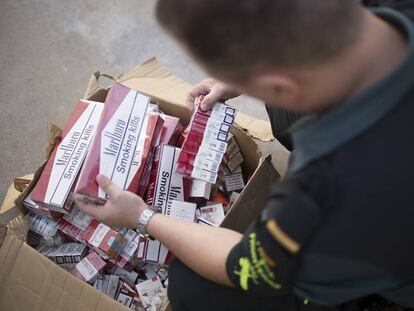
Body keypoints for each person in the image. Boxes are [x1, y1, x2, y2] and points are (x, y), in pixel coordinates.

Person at [74, 0, 414, 310]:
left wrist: (143, 217)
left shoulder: (315, 191)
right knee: (285, 118)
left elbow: (243, 267)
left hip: (395, 273)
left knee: (192, 287)